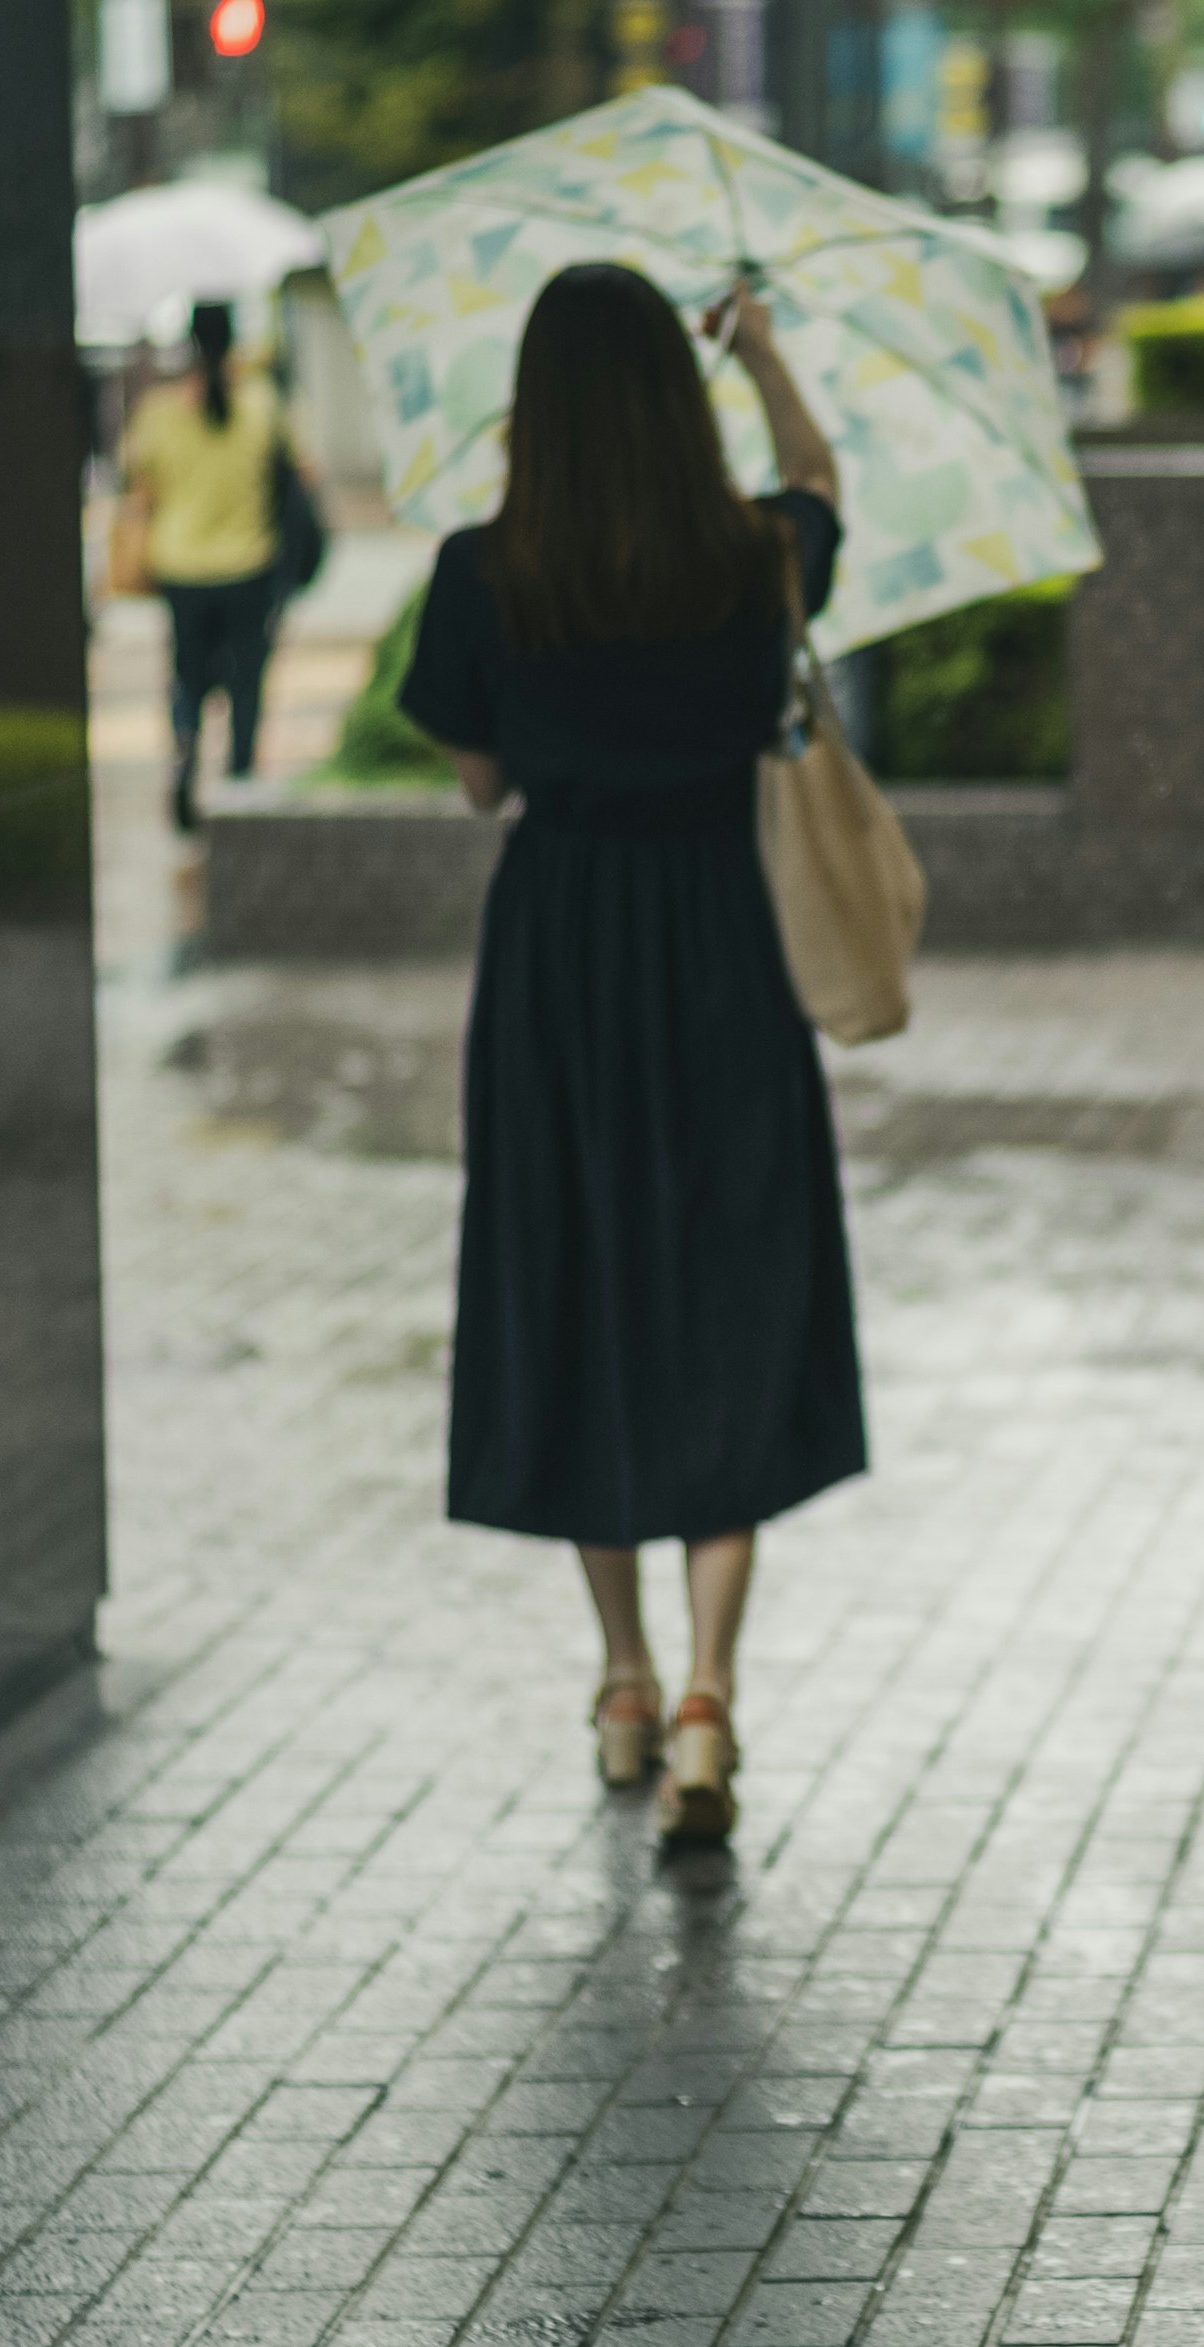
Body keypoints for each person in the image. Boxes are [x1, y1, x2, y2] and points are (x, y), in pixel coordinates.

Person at [395, 264, 864, 1846]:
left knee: (579, 1278)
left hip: (559, 963)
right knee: (725, 1286)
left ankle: (621, 1681)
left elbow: (476, 787)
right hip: (721, 948)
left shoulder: (483, 571)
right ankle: (715, 1703)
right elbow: (818, 486)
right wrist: (769, 354)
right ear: (676, 397)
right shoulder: (748, 558)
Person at [117, 300, 312, 832]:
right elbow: (301, 473)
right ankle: (242, 785)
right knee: (248, 683)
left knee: (187, 677)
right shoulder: (263, 403)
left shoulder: (158, 411)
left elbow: (138, 485)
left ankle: (185, 763)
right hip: (251, 564)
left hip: (181, 569)